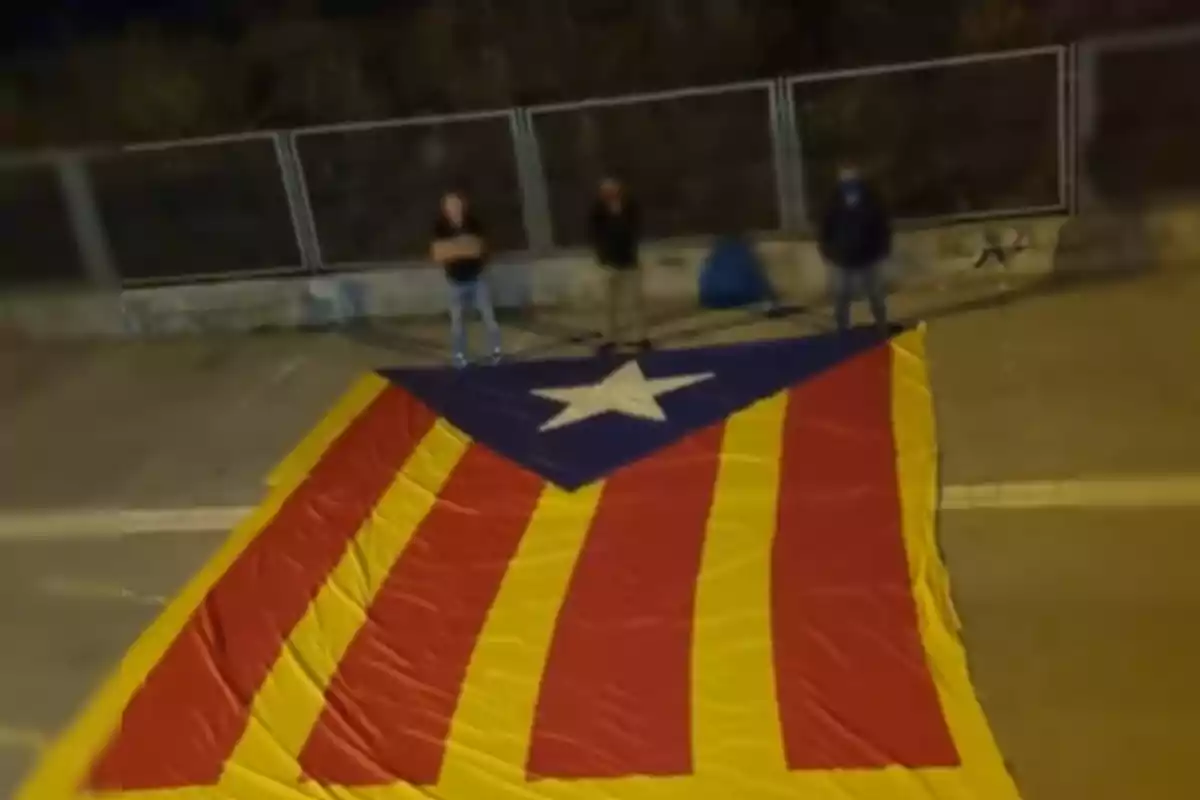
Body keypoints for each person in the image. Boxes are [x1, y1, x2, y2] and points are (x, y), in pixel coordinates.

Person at [431, 191, 502, 367]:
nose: (454, 209)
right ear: (445, 209)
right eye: (450, 206)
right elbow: (438, 253)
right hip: (455, 281)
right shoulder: (440, 227)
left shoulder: (473, 223)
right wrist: (462, 247)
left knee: (488, 316)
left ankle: (496, 352)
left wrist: (455, 249)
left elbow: (478, 249)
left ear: (462, 206)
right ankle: (459, 355)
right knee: (457, 322)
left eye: (457, 205)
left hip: (477, 278)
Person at [818, 165, 892, 333]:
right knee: (841, 296)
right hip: (842, 257)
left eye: (852, 178)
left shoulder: (872, 200)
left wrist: (883, 249)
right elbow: (825, 228)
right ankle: (842, 329)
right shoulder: (833, 201)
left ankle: (882, 327)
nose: (849, 183)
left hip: (869, 256)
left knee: (876, 295)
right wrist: (827, 251)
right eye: (845, 179)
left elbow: (883, 226)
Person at [590, 177, 650, 354]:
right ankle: (608, 338)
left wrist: (618, 217)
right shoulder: (597, 210)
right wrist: (602, 253)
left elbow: (634, 229)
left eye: (613, 190)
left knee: (635, 302)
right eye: (606, 191)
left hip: (629, 261)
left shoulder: (630, 207)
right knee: (607, 304)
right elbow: (593, 232)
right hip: (608, 263)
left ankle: (640, 337)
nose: (610, 194)